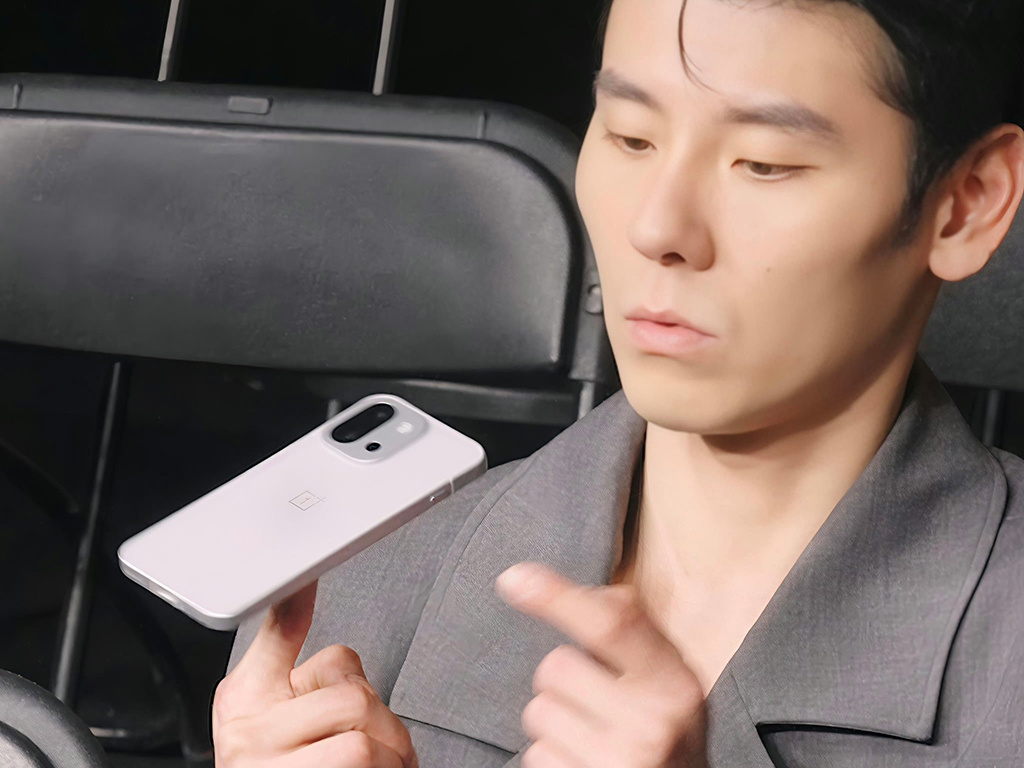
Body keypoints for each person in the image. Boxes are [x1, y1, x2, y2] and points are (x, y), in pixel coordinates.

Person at [212, 0, 1024, 765]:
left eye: (764, 163)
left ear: (967, 204)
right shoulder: (346, 593)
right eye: (632, 139)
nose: (657, 226)